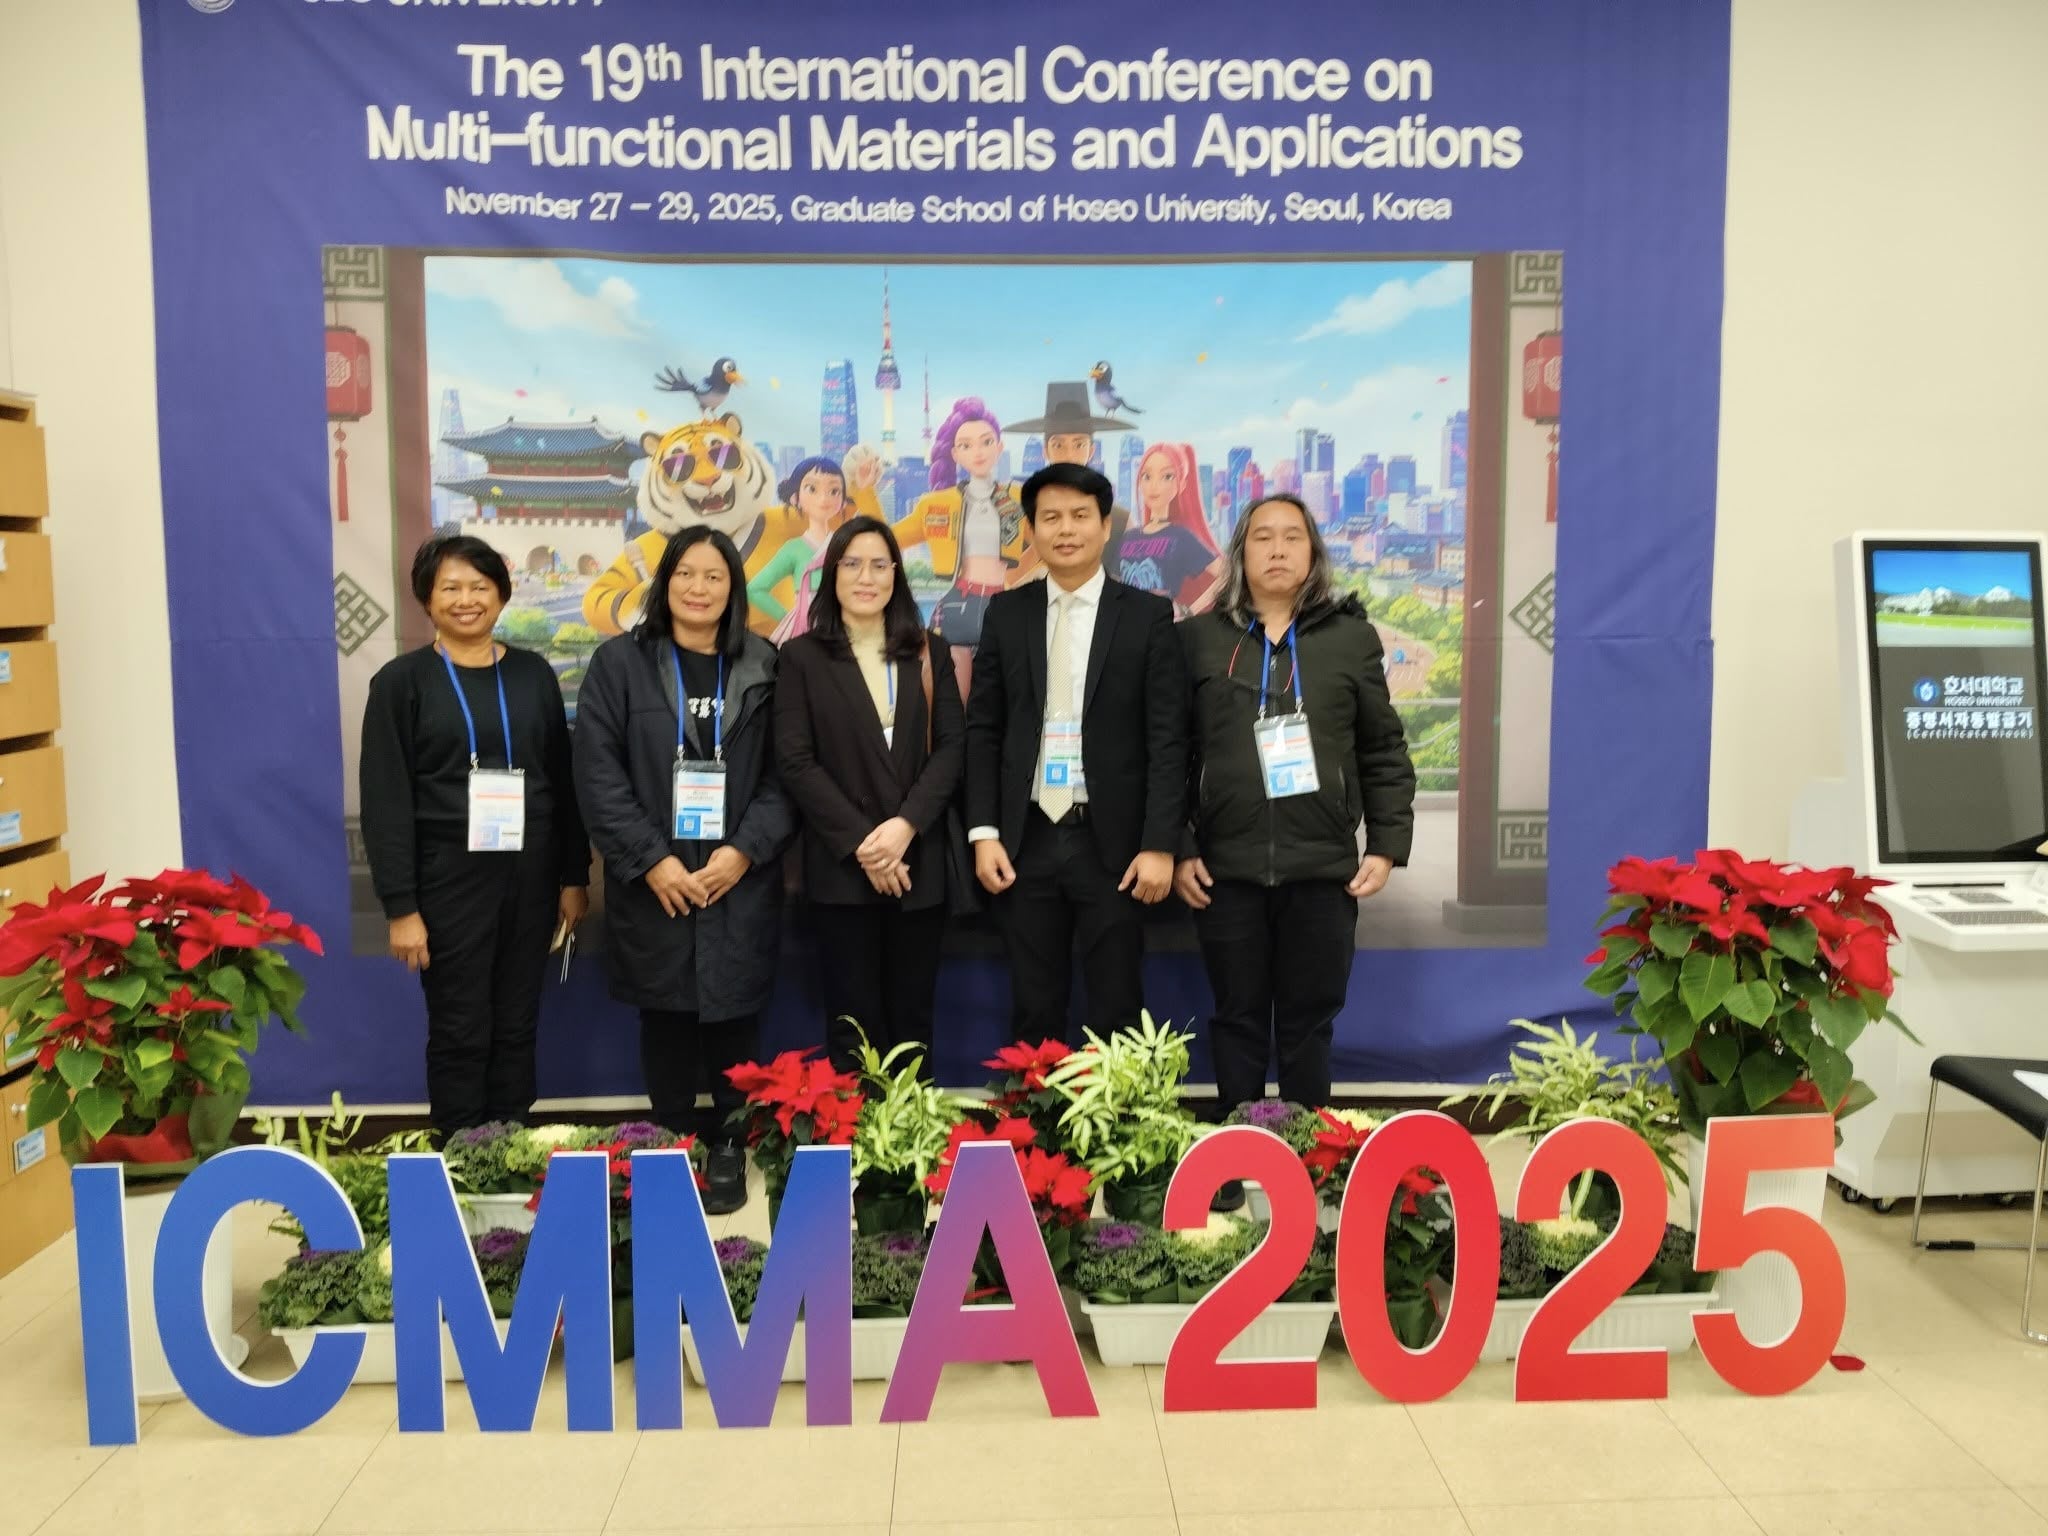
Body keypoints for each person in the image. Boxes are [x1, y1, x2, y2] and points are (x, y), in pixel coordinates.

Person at [572, 526, 795, 1214]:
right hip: (656, 881)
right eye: (685, 575)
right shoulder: (620, 663)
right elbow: (598, 774)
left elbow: (790, 772)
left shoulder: (765, 663)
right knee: (664, 1016)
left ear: (734, 588)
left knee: (736, 1014)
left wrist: (744, 850)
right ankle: (670, 1143)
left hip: (737, 876)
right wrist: (653, 861)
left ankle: (729, 1143)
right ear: (664, 582)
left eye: (714, 576)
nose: (699, 589)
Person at [1176, 493, 1417, 1122]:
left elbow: (1383, 748)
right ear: (1240, 553)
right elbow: (1168, 751)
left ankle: (1311, 1151)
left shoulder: (1351, 639)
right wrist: (1179, 844)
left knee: (1310, 1021)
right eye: (1263, 537)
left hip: (1322, 867)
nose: (1278, 549)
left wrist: (1387, 844)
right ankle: (1237, 1148)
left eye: (1292, 537)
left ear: (1313, 552)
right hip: (1224, 870)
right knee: (1237, 1017)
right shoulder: (1197, 640)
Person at [359, 535, 590, 1137]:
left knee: (517, 1023)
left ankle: (508, 1147)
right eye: (451, 588)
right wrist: (401, 908)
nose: (467, 600)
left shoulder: (533, 674)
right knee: (460, 1026)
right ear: (427, 599)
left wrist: (573, 877)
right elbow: (385, 802)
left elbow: (561, 782)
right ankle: (460, 1156)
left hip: (531, 877)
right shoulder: (401, 683)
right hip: (448, 881)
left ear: (502, 595)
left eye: (480, 587)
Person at [964, 462, 1188, 1045]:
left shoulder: (1147, 616)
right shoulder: (1006, 614)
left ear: (1105, 527)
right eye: (1051, 517)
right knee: (1033, 1007)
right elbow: (983, 730)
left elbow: (1169, 740)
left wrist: (1160, 844)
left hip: (1114, 845)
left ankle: (1121, 1106)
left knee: (1118, 1006)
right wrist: (984, 832)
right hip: (1025, 838)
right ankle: (1035, 1105)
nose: (1066, 529)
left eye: (1080, 516)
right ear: (1032, 530)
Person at [775, 515, 965, 1071]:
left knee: (913, 1024)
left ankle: (910, 1126)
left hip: (917, 864)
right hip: (842, 871)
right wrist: (866, 846)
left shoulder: (928, 651)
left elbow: (951, 749)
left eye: (880, 565)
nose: (866, 577)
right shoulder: (801, 658)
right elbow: (796, 762)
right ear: (830, 575)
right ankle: (854, 1126)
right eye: (852, 564)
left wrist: (904, 829)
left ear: (896, 574)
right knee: (851, 1025)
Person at [891, 398, 1034, 694]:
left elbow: (1049, 544)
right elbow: (885, 538)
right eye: (966, 445)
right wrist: (864, 491)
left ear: (999, 446)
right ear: (955, 453)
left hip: (1004, 604)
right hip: (959, 602)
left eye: (986, 442)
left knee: (1005, 698)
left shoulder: (1019, 497)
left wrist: (1020, 577)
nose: (977, 452)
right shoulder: (936, 504)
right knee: (954, 700)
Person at [747, 455, 848, 644]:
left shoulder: (848, 545)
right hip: (806, 634)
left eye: (834, 491)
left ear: (843, 500)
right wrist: (791, 619)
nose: (824, 498)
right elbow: (755, 589)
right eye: (812, 489)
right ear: (795, 498)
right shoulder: (793, 549)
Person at [1117, 441, 1224, 614]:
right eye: (1147, 476)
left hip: (1160, 624)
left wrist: (1189, 611)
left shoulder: (1180, 537)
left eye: (1167, 476)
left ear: (1181, 485)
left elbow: (1227, 575)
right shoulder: (1129, 537)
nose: (1154, 486)